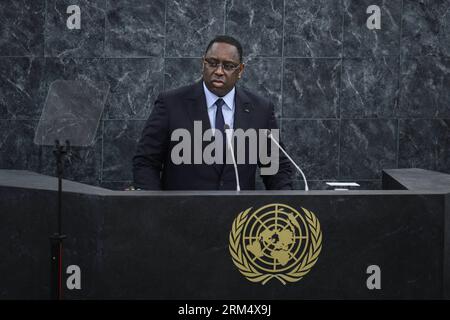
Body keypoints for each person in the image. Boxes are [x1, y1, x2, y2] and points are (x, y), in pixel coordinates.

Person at [132, 35, 293, 190]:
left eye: (228, 66)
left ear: (240, 70)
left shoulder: (260, 110)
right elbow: (146, 162)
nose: (219, 71)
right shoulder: (171, 104)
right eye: (213, 63)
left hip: (239, 215)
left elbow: (275, 169)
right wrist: (156, 208)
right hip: (181, 214)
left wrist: (287, 207)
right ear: (203, 63)